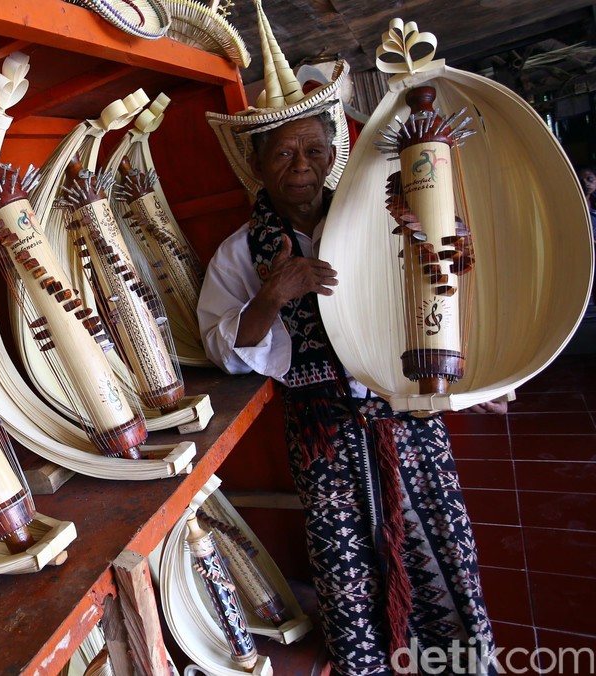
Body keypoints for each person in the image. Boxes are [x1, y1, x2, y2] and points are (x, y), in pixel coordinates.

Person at [202, 7, 496, 672]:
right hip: (322, 433)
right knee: (346, 564)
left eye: (313, 150)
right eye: (282, 153)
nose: (300, 167)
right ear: (258, 165)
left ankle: (456, 661)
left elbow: (439, 285)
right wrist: (272, 295)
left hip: (406, 411)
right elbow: (223, 347)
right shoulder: (239, 254)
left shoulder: (382, 213)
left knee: (439, 542)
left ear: (334, 153)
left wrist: (448, 256)